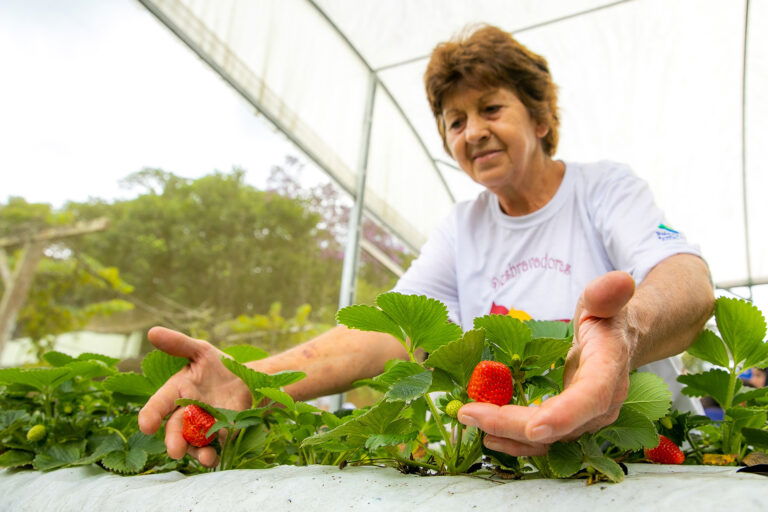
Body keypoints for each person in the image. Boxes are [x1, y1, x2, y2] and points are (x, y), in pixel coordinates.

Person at [138, 25, 714, 466]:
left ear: (539, 118)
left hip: (640, 454)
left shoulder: (602, 189)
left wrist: (627, 329)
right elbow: (390, 334)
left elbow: (684, 278)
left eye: (491, 108)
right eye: (454, 120)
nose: (473, 131)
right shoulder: (462, 229)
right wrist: (251, 378)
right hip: (527, 463)